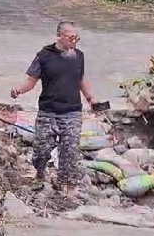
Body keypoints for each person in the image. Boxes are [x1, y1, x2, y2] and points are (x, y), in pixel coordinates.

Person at [10, 21, 97, 198]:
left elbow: (81, 79)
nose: (74, 42)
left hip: (72, 111)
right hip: (48, 111)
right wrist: (18, 90)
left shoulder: (79, 56)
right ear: (59, 36)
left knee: (70, 151)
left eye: (76, 38)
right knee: (41, 150)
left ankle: (69, 187)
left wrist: (90, 98)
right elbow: (31, 81)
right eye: (71, 38)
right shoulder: (44, 55)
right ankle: (40, 173)